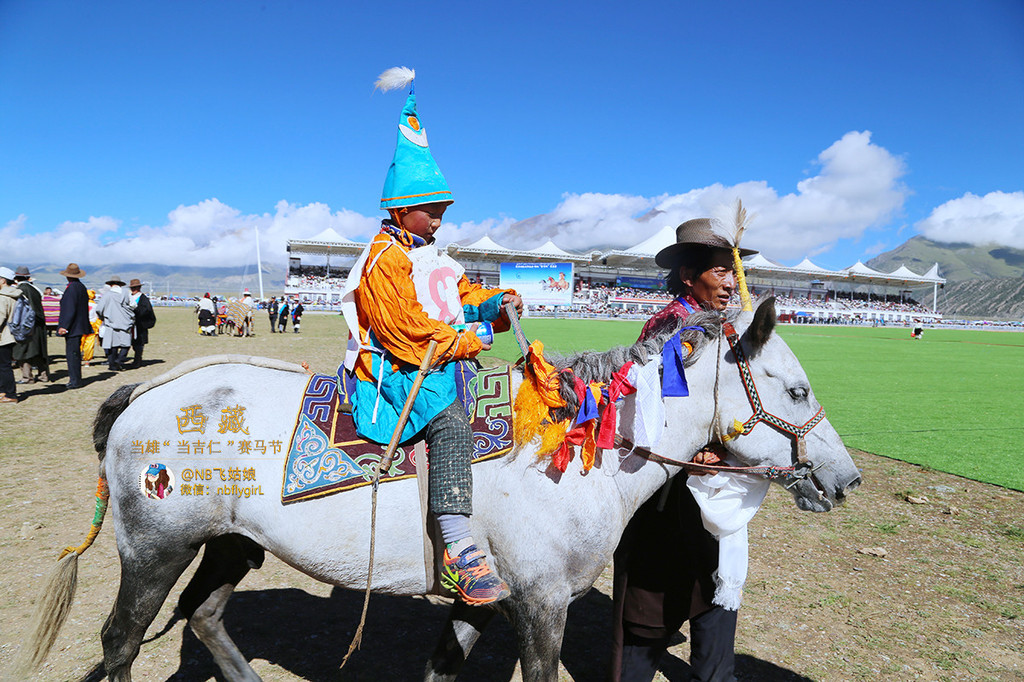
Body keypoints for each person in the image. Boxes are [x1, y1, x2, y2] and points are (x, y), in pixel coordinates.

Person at [342, 67, 523, 605]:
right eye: (432, 212)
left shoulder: (430, 254)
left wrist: (496, 306)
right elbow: (407, 335)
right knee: (449, 421)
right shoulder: (383, 260)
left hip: (436, 358)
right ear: (401, 209)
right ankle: (460, 550)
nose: (440, 222)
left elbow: (463, 297)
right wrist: (475, 340)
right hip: (393, 373)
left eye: (443, 212)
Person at [610, 218, 757, 682]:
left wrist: (724, 449)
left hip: (717, 479)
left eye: (732, 272)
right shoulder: (671, 325)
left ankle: (716, 675)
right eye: (719, 272)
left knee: (716, 585)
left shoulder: (730, 326)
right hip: (670, 488)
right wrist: (698, 452)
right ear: (690, 276)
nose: (730, 283)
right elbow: (659, 409)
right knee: (653, 603)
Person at [12, 266, 50, 384]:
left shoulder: (19, 290)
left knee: (22, 350)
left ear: (16, 278)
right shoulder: (35, 289)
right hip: (38, 324)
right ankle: (43, 375)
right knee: (38, 350)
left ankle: (27, 377)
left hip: (26, 324)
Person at [56, 263, 91, 389]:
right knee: (74, 354)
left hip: (72, 327)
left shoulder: (71, 288)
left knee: (72, 355)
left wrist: (64, 326)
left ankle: (75, 381)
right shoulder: (81, 286)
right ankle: (76, 379)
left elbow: (69, 309)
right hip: (79, 326)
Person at [95, 275, 135, 371]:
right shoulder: (126, 293)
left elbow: (99, 309)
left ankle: (112, 365)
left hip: (111, 323)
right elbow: (133, 305)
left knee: (112, 345)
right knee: (126, 345)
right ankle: (119, 360)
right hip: (125, 323)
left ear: (110, 285)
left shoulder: (107, 295)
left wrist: (103, 317)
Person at [0, 267, 24, 403]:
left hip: (3, 336)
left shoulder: (3, 297)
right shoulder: (16, 294)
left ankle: (10, 394)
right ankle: (4, 391)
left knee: (4, 366)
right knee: (4, 365)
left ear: (3, 280)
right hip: (12, 334)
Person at [128, 279, 156, 368]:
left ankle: (137, 360)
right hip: (130, 324)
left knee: (139, 344)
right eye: (132, 288)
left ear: (139, 288)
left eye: (135, 288)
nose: (134, 289)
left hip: (140, 325)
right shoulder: (129, 297)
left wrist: (137, 312)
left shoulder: (143, 299)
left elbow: (147, 311)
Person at [81, 289, 100, 366]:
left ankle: (77, 358)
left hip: (81, 325)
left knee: (80, 342)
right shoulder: (96, 306)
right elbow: (98, 317)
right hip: (92, 325)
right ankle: (87, 361)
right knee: (89, 343)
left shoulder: (81, 304)